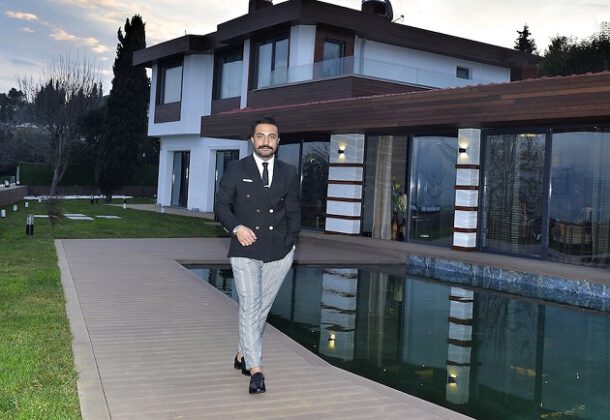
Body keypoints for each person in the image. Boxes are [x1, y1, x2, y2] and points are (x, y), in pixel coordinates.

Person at [214, 116, 301, 394]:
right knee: (251, 306)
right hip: (245, 248)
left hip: (280, 250)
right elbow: (221, 206)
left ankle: (242, 354)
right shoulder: (236, 169)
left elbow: (294, 211)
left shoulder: (289, 172)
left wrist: (291, 240)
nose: (266, 141)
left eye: (272, 136)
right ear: (252, 140)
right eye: (260, 136)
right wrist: (236, 227)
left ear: (278, 141)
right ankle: (256, 369)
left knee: (262, 308)